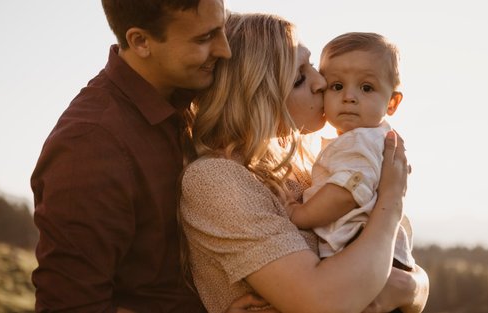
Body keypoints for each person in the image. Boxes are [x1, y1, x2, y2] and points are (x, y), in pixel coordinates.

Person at [28, 1, 269, 312]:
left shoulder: (198, 94)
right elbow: (71, 305)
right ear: (141, 42)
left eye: (222, 28)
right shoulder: (90, 145)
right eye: (204, 38)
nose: (225, 50)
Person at [180, 12, 429, 313]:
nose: (321, 82)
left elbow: (399, 260)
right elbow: (325, 302)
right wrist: (392, 199)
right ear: (256, 95)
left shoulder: (307, 160)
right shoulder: (215, 181)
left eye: (312, 66)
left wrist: (411, 287)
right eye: (300, 78)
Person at [289, 33, 416, 276]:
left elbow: (346, 192)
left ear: (392, 103)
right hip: (374, 252)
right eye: (337, 86)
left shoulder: (361, 141)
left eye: (366, 88)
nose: (348, 97)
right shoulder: (366, 138)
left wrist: (302, 214)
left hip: (359, 248)